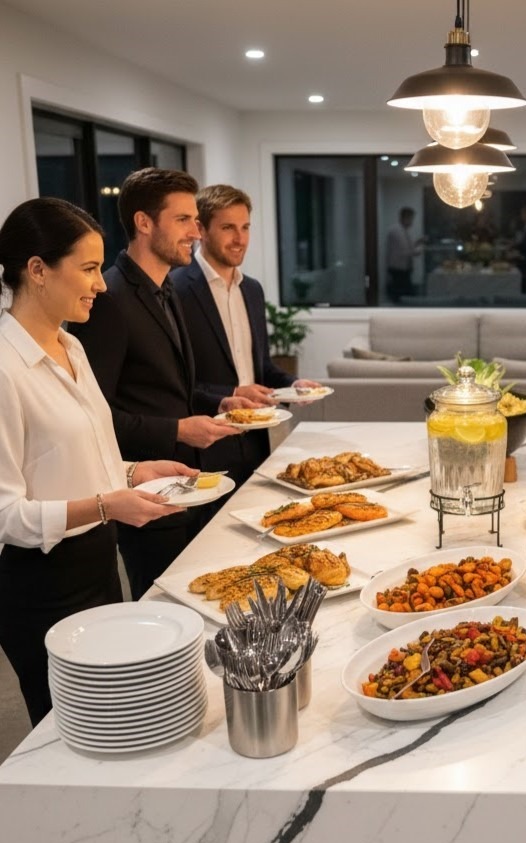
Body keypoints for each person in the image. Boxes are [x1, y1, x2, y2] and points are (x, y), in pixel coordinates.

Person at [0, 197, 198, 724]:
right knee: (71, 731)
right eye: (88, 269)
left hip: (99, 564)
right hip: (37, 584)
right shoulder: (4, 368)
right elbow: (7, 516)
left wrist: (135, 473)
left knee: (123, 715)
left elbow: (82, 461)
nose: (102, 284)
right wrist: (108, 504)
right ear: (37, 270)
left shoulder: (73, 346)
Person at [69, 168, 241, 599]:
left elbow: (172, 388)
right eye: (184, 219)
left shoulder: (167, 289)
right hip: (148, 494)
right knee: (168, 609)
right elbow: (95, 415)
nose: (196, 233)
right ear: (144, 223)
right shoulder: (108, 300)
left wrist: (221, 401)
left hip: (187, 481)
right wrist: (178, 429)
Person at [171, 184, 321, 495]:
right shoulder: (175, 290)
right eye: (228, 228)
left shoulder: (251, 290)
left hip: (258, 441)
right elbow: (176, 383)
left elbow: (261, 368)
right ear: (201, 229)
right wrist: (232, 392)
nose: (240, 239)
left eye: (245, 227)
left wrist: (292, 385)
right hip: (207, 447)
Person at [385, 207, 422, 303]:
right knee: (402, 296)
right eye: (411, 219)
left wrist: (417, 243)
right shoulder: (397, 231)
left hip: (402, 268)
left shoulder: (402, 230)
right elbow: (404, 252)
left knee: (405, 294)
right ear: (405, 218)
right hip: (398, 269)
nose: (412, 222)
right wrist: (417, 251)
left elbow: (405, 248)